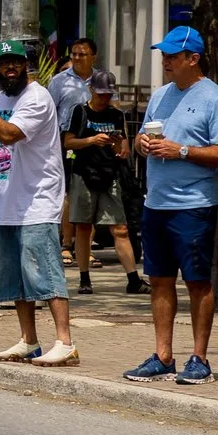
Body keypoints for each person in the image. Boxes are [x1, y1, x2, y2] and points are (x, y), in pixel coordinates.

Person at [124, 25, 218, 385]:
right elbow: (143, 133)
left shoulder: (215, 98)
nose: (166, 62)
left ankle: (200, 358)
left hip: (193, 204)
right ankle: (163, 355)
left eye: (173, 56)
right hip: (156, 202)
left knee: (197, 282)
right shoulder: (160, 95)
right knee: (158, 280)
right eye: (164, 55)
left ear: (194, 58)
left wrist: (181, 150)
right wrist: (142, 143)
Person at [0, 43, 77, 366]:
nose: (10, 68)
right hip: (7, 199)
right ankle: (29, 340)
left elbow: (10, 133)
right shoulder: (0, 99)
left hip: (37, 199)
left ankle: (65, 342)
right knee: (16, 277)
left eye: (16, 62)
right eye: (4, 63)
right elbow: (2, 148)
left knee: (46, 272)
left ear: (26, 65)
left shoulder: (37, 97)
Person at [65, 74, 142, 295]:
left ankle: (133, 278)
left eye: (108, 94)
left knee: (120, 228)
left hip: (109, 175)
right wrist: (92, 140)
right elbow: (67, 142)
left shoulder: (117, 115)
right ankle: (84, 277)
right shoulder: (80, 112)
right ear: (91, 90)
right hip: (84, 174)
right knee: (83, 226)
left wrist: (117, 145)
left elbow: (124, 151)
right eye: (101, 94)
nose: (104, 98)